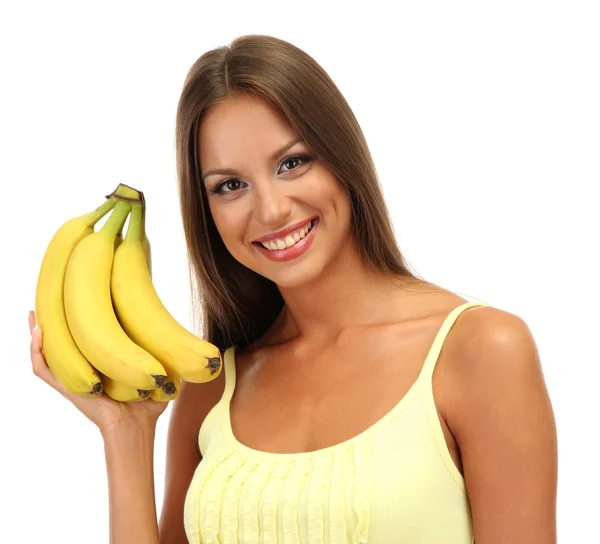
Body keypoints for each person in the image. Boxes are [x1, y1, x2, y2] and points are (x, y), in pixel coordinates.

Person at [29, 34, 558, 543]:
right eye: (230, 185)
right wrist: (125, 433)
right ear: (207, 210)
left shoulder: (482, 349)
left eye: (292, 162)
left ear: (342, 158)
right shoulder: (213, 385)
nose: (272, 210)